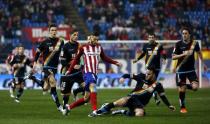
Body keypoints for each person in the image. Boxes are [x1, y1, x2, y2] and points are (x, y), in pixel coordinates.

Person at [63, 35, 122, 117]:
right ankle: (95, 111)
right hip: (87, 73)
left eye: (96, 40)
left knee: (86, 98)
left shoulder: (99, 48)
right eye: (93, 39)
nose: (95, 41)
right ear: (90, 40)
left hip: (94, 73)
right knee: (93, 87)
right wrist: (69, 70)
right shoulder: (84, 48)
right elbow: (76, 59)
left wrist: (115, 62)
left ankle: (68, 107)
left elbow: (104, 58)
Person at [95, 66, 175, 117]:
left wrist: (169, 105)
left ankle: (121, 111)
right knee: (123, 100)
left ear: (154, 74)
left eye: (149, 74)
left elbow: (163, 96)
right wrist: (122, 77)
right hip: (132, 97)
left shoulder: (157, 85)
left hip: (140, 103)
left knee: (139, 114)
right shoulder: (141, 76)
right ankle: (99, 111)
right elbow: (128, 75)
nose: (146, 75)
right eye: (146, 73)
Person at [172, 27, 206, 113]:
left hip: (191, 70)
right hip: (181, 70)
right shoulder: (178, 44)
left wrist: (203, 64)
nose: (184, 35)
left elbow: (199, 53)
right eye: (183, 33)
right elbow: (173, 57)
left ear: (189, 34)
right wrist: (182, 55)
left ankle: (182, 86)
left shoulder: (195, 43)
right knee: (182, 90)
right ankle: (182, 107)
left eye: (186, 33)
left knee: (195, 88)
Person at [33, 23, 64, 112]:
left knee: (46, 87)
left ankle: (33, 78)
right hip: (46, 66)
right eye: (52, 30)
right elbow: (38, 52)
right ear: (49, 31)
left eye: (55, 30)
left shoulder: (60, 41)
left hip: (55, 67)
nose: (54, 32)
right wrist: (35, 62)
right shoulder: (44, 42)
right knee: (53, 82)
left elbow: (63, 52)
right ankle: (59, 106)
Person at [133, 32, 167, 105]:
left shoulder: (159, 46)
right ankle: (155, 98)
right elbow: (143, 54)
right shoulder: (145, 46)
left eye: (152, 37)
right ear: (148, 38)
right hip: (148, 67)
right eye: (150, 37)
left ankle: (154, 97)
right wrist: (137, 59)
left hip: (157, 67)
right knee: (150, 82)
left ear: (155, 38)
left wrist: (164, 58)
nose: (151, 39)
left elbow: (163, 52)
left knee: (152, 83)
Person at [60, 31, 85, 112]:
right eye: (74, 35)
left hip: (78, 72)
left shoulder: (79, 46)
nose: (76, 36)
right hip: (68, 72)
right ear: (70, 35)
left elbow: (83, 59)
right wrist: (72, 64)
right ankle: (65, 106)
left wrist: (80, 65)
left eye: (77, 35)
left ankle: (76, 91)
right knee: (66, 94)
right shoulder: (65, 46)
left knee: (87, 86)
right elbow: (62, 61)